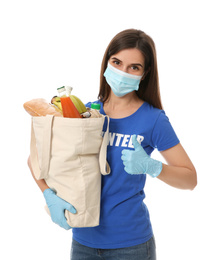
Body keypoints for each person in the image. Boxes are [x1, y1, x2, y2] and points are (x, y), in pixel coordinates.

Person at [28, 29, 197, 260]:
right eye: (116, 62)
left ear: (144, 73)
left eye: (133, 67)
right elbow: (37, 159)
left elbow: (190, 179)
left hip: (132, 245)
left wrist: (152, 166)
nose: (122, 72)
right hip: (83, 242)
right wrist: (48, 194)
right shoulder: (84, 116)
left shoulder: (154, 119)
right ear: (106, 62)